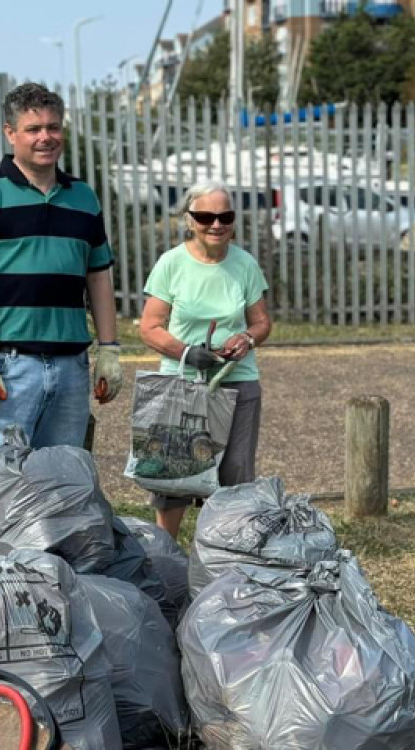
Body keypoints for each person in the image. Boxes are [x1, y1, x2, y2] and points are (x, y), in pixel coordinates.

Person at [0, 83, 123, 477]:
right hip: (8, 365)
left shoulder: (83, 198)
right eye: (33, 128)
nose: (46, 137)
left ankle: (45, 543)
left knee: (61, 481)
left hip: (72, 365)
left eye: (53, 127)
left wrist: (109, 348)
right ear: (10, 133)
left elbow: (99, 277)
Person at [139, 180, 272, 540]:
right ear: (188, 219)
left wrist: (246, 338)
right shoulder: (171, 264)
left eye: (225, 216)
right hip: (182, 381)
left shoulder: (245, 264)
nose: (216, 225)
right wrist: (185, 352)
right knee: (173, 477)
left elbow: (262, 323)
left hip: (237, 380)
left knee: (235, 475)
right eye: (205, 216)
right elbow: (150, 327)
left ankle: (224, 555)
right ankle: (165, 553)